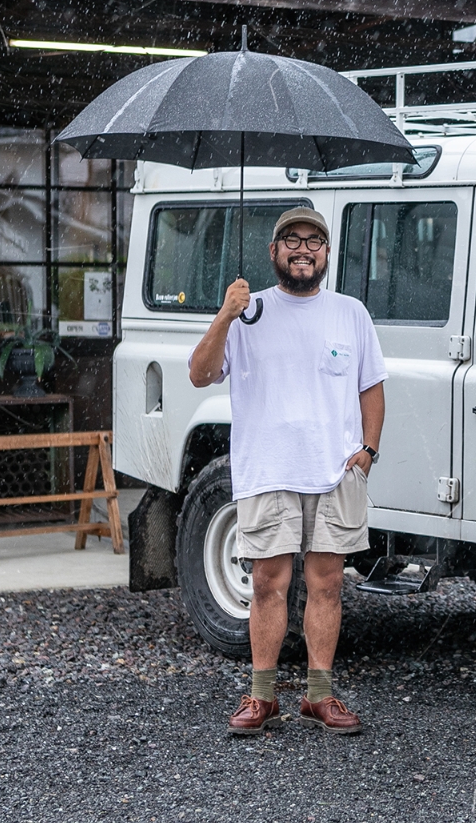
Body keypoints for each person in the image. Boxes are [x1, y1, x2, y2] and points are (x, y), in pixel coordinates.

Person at [188, 206, 386, 736]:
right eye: (292, 240)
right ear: (273, 252)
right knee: (267, 583)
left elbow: (372, 387)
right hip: (267, 469)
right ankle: (261, 697)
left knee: (327, 583)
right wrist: (225, 314)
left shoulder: (352, 314)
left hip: (334, 472)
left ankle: (319, 696)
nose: (304, 249)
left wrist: (367, 450)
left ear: (327, 253)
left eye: (314, 241)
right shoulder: (247, 311)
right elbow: (200, 374)